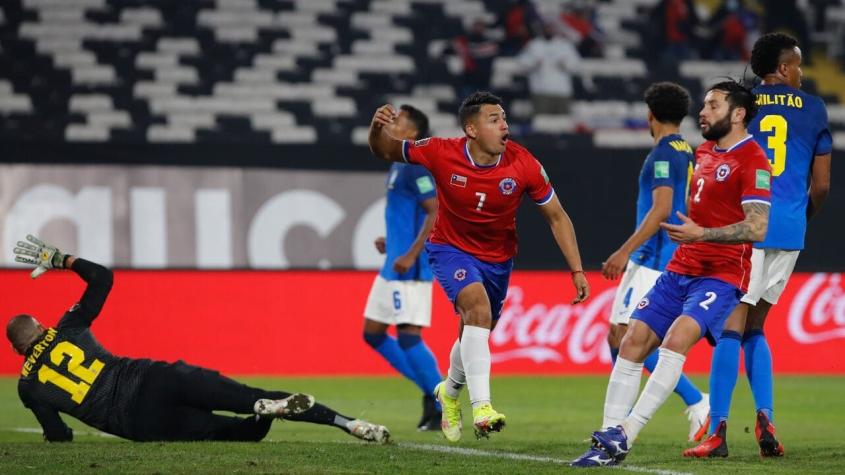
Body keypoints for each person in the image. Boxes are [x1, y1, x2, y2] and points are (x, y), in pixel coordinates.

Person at [8, 235, 390, 443]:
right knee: (248, 394)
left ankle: (256, 418)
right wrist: (62, 260)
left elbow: (59, 436)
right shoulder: (67, 329)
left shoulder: (29, 387)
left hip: (140, 421)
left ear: (17, 350)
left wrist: (55, 435)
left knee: (233, 435)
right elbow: (103, 278)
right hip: (154, 378)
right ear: (41, 328)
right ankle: (348, 424)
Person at [368, 91, 589, 442]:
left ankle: (449, 393)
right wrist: (377, 129)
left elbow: (557, 217)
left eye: (504, 118)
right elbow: (386, 149)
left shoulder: (524, 164)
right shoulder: (441, 151)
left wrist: (576, 269)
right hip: (450, 249)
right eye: (495, 119)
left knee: (475, 329)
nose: (505, 125)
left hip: (498, 259)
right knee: (477, 309)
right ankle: (482, 406)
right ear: (471, 129)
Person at [572, 80, 771, 467]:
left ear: (738, 113)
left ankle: (626, 434)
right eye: (704, 105)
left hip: (723, 274)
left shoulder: (754, 160)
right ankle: (606, 439)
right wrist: (691, 236)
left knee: (674, 341)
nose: (703, 111)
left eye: (713, 105)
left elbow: (758, 227)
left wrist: (704, 234)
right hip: (681, 267)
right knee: (631, 340)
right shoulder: (705, 152)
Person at [686, 32, 832, 458]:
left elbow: (714, 163)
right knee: (756, 327)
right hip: (788, 230)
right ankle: (765, 415)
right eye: (799, 65)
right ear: (784, 68)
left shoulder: (740, 103)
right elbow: (821, 186)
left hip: (744, 228)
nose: (802, 74)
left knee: (731, 328)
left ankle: (717, 430)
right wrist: (797, 221)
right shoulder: (816, 108)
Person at [602, 82, 709, 443]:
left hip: (652, 259)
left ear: (650, 115)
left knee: (626, 339)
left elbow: (661, 209)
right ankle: (692, 403)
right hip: (669, 258)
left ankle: (695, 401)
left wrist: (624, 250)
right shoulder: (687, 150)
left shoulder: (663, 153)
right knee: (620, 337)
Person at [362, 104, 443, 431]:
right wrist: (392, 240)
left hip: (410, 267)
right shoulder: (396, 166)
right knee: (373, 334)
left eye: (399, 121)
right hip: (392, 262)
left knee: (409, 338)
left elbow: (436, 210)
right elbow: (408, 213)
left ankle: (441, 401)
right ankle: (430, 389)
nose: (393, 122)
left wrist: (411, 252)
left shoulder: (415, 167)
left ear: (412, 134)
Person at [518, 21, 581, 115]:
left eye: (551, 28)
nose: (549, 30)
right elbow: (522, 63)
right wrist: (534, 63)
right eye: (546, 28)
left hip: (562, 91)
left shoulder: (564, 45)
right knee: (541, 122)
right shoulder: (534, 45)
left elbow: (576, 65)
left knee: (563, 123)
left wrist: (565, 64)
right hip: (541, 91)